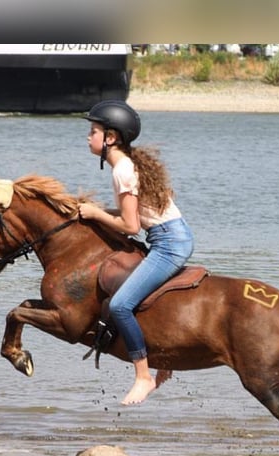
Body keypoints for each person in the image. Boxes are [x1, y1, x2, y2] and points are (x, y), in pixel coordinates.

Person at [78, 100, 194, 405]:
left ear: (111, 138)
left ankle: (143, 375)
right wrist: (99, 211)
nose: (88, 137)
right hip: (172, 235)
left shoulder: (122, 172)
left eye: (93, 131)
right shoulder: (127, 165)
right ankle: (165, 360)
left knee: (120, 305)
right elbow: (134, 213)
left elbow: (130, 226)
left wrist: (96, 214)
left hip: (169, 243)